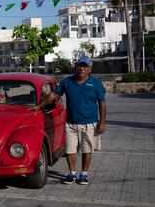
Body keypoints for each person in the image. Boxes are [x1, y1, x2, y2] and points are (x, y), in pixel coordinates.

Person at [31, 56, 106, 185]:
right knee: (70, 150)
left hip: (89, 123)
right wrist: (39, 105)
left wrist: (102, 122)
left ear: (89, 69)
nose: (82, 68)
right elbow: (54, 95)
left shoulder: (96, 83)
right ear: (76, 67)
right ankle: (71, 173)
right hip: (71, 123)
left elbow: (102, 103)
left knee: (87, 150)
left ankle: (84, 174)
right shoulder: (67, 82)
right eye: (80, 66)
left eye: (85, 66)